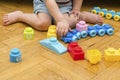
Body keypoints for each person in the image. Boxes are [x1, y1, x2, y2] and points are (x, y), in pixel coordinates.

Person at [3, 0, 102, 37]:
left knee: (69, 23)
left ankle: (83, 16)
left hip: (64, 5)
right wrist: (60, 20)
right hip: (45, 3)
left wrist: (76, 9)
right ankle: (20, 15)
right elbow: (49, 1)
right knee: (43, 24)